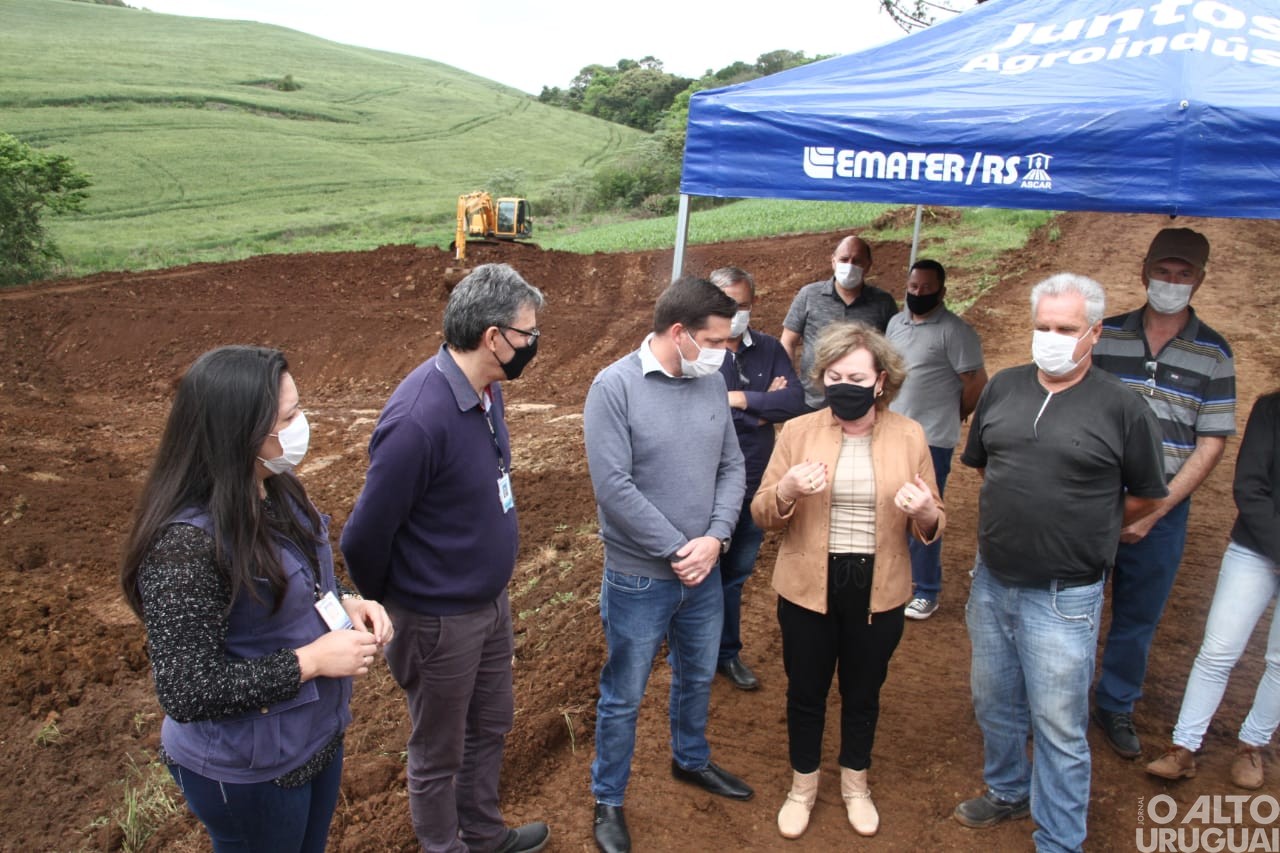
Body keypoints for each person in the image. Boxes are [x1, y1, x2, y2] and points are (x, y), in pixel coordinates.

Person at [120, 345, 393, 853]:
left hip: (312, 737)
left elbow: (305, 582)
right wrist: (310, 661)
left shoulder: (277, 488)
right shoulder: (184, 546)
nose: (302, 425)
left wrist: (347, 602)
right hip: (246, 769)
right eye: (288, 417)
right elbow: (187, 690)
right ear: (240, 433)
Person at [953, 273, 1167, 853]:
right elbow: (984, 464)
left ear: (1093, 333)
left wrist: (1090, 523)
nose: (1050, 338)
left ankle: (1060, 838)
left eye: (1065, 329)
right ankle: (1006, 789)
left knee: (1059, 724)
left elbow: (1148, 494)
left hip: (1064, 596)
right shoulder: (1003, 388)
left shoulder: (1123, 409)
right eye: (1042, 326)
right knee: (994, 702)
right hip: (992, 580)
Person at [341, 264, 550, 853]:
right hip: (437, 621)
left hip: (487, 605)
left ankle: (482, 835)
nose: (534, 345)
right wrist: (406, 605)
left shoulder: (487, 391)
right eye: (528, 334)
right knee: (438, 750)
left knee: (490, 726)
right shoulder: (417, 421)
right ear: (494, 338)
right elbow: (362, 537)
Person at [751, 321, 944, 840]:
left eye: (855, 376)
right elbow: (764, 514)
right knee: (806, 691)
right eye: (833, 375)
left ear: (880, 380)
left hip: (879, 587)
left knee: (863, 691)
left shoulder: (909, 435)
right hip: (809, 585)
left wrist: (925, 509)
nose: (844, 385)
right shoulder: (798, 432)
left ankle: (856, 785)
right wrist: (787, 488)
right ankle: (803, 787)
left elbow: (933, 523)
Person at [583, 275, 749, 853]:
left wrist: (716, 539)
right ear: (680, 334)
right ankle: (608, 798)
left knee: (697, 676)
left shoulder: (710, 383)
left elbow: (732, 466)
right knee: (624, 693)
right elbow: (613, 487)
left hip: (704, 571)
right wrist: (680, 549)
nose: (727, 353)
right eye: (719, 341)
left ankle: (691, 759)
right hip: (639, 578)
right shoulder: (614, 387)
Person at [1090, 226, 1236, 758]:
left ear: (1199, 280)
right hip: (1095, 500)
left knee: (1138, 615)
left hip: (1165, 510)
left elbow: (1211, 444)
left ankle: (1116, 704)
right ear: (1144, 271)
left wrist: (1156, 510)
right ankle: (1060, 698)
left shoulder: (1215, 354)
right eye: (1163, 271)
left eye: (1183, 274)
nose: (1171, 282)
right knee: (1075, 602)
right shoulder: (1105, 336)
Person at [1145, 390, 1280, 791]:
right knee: (1218, 649)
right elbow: (1249, 487)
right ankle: (1183, 746)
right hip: (1254, 547)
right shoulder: (1271, 409)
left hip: (1261, 543)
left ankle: (1253, 744)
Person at [709, 266, 808, 691]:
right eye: (727, 305)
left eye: (743, 306)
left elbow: (795, 402)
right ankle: (691, 652)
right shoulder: (700, 352)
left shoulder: (767, 348)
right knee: (700, 574)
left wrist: (739, 399)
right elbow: (701, 412)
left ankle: (726, 653)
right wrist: (764, 406)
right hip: (705, 485)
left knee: (734, 576)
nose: (735, 313)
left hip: (754, 480)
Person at [885, 258, 987, 620]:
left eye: (927, 289)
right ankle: (896, 580)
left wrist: (956, 413)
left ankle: (927, 589)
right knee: (889, 507)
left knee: (924, 511)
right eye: (914, 287)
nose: (919, 294)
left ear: (942, 292)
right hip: (892, 432)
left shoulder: (955, 332)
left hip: (931, 439)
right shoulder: (896, 323)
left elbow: (975, 383)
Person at [780, 235, 898, 409]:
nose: (849, 265)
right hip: (812, 400)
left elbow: (890, 350)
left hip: (860, 401)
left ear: (868, 266)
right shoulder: (809, 295)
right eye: (844, 259)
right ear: (833, 261)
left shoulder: (883, 302)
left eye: (857, 261)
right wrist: (790, 383)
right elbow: (788, 341)